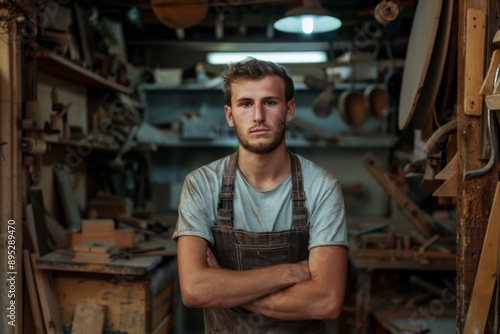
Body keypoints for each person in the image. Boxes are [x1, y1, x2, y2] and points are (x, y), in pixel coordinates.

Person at [173, 57, 348, 333]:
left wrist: (229, 292)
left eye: (270, 102)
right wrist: (292, 272)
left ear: (289, 110)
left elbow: (325, 301)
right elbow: (195, 290)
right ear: (230, 116)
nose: (258, 116)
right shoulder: (202, 184)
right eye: (245, 104)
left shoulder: (322, 187)